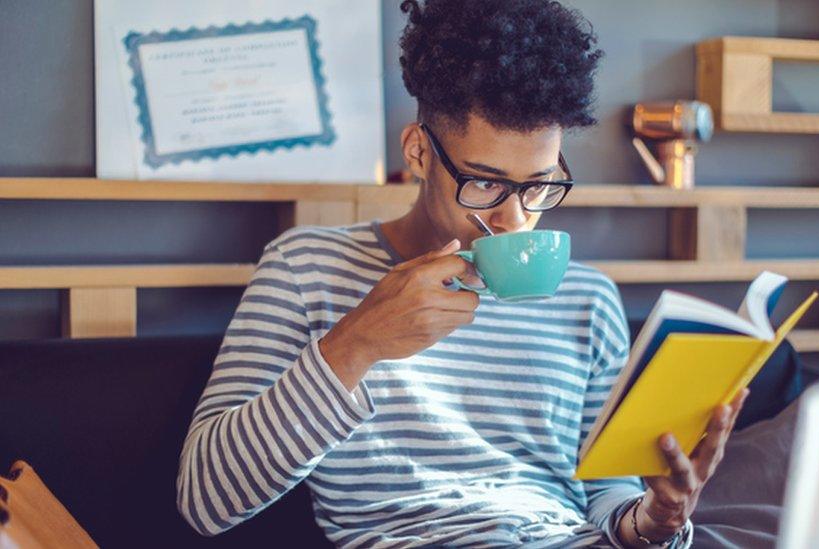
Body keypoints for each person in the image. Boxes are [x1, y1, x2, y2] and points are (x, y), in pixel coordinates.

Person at [176, 1, 746, 546]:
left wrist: (653, 522)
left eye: (540, 185)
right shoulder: (306, 268)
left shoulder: (587, 298)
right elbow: (206, 501)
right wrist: (356, 344)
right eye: (485, 182)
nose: (514, 217)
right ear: (419, 153)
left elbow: (606, 494)